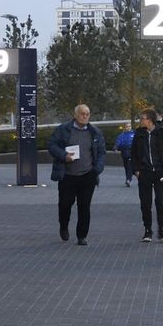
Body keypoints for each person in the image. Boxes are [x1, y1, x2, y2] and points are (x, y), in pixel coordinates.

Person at [48, 104, 106, 246]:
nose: (85, 116)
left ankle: (82, 235)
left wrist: (97, 169)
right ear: (75, 115)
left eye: (87, 114)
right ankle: (63, 225)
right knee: (65, 204)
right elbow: (51, 145)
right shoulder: (64, 130)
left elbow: (101, 152)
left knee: (84, 206)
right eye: (82, 113)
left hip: (87, 175)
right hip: (67, 175)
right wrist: (63, 155)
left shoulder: (95, 132)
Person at [131, 108, 163, 243]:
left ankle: (161, 231)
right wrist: (136, 170)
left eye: (142, 118)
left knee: (161, 201)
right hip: (144, 172)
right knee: (145, 203)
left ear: (149, 120)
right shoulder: (139, 134)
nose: (140, 121)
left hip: (160, 172)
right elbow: (133, 154)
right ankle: (147, 231)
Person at [113, 122, 135, 186]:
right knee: (126, 167)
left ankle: (128, 180)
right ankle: (128, 178)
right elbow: (118, 142)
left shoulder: (134, 134)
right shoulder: (121, 136)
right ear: (124, 127)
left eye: (129, 126)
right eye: (127, 126)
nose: (128, 127)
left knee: (129, 166)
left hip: (132, 153)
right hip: (124, 153)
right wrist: (115, 147)